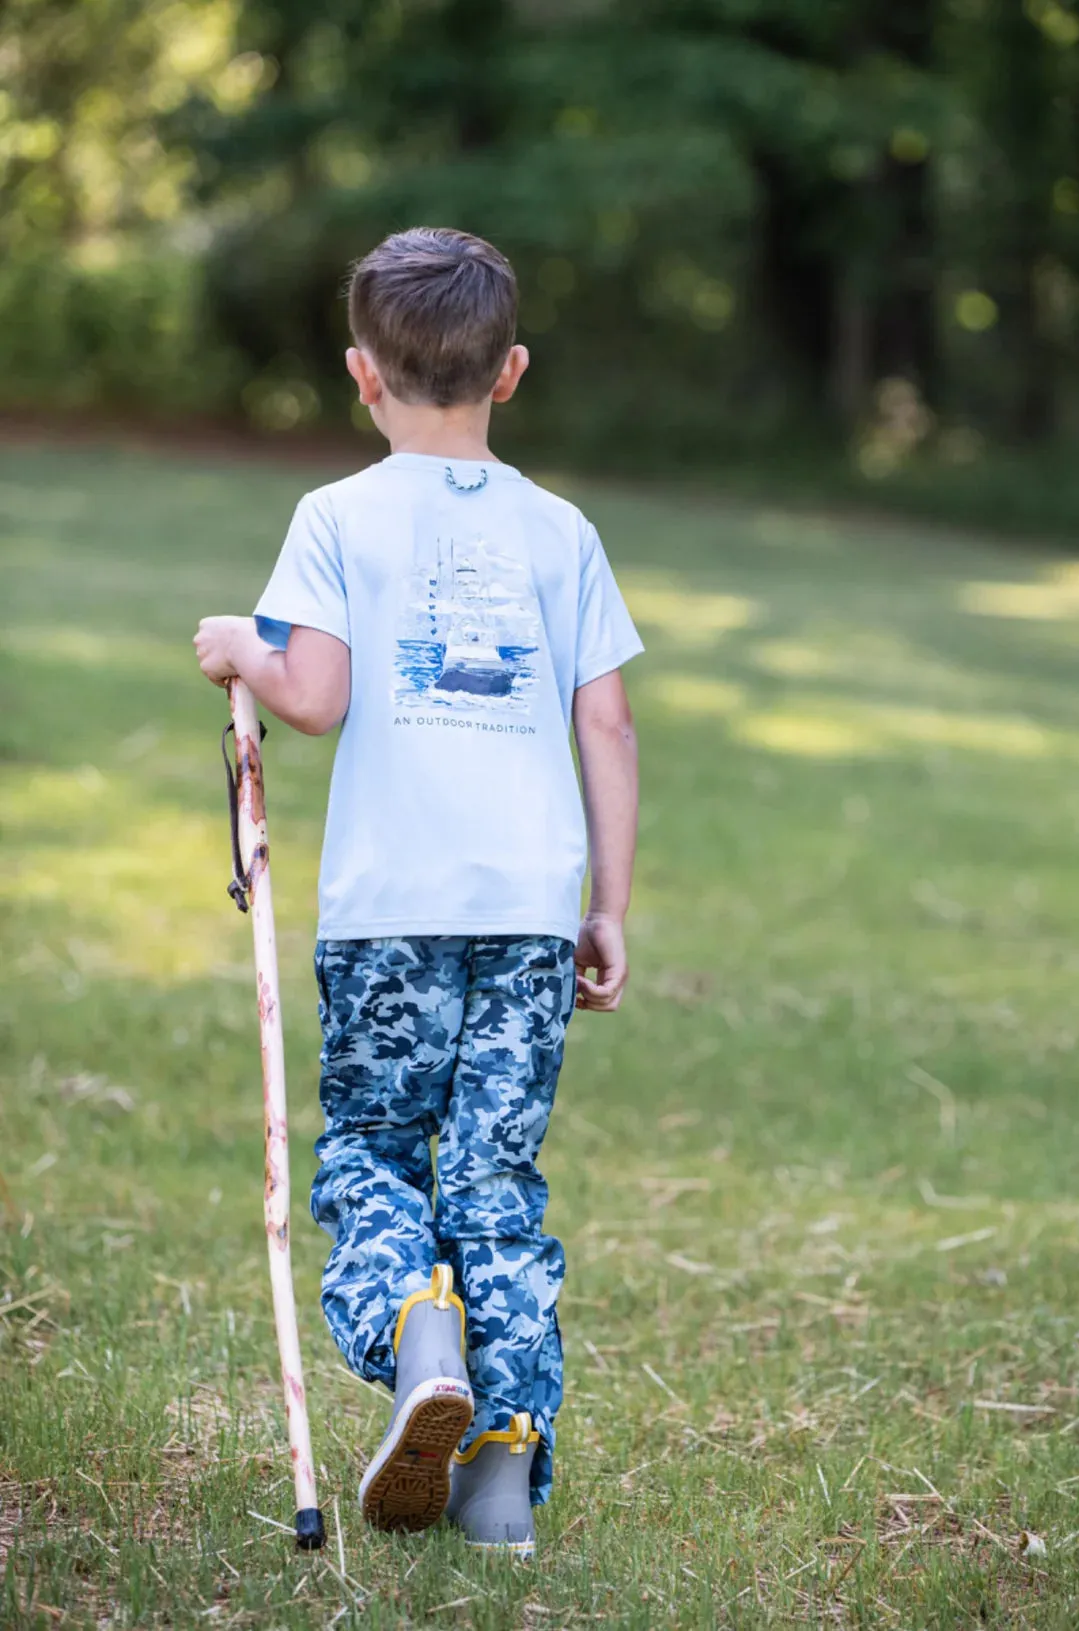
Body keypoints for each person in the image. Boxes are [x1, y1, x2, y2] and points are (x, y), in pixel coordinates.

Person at [194, 226, 642, 1560]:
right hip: (525, 905)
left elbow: (315, 698)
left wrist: (242, 646)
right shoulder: (562, 531)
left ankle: (409, 1322)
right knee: (496, 1176)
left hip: (391, 905)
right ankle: (501, 1463)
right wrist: (606, 901)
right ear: (510, 372)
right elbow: (606, 727)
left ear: (359, 374)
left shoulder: (335, 516)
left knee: (378, 1145)